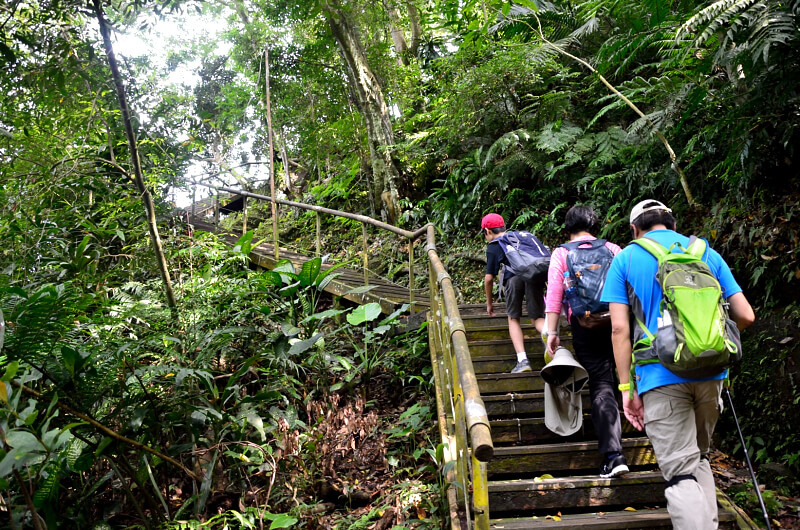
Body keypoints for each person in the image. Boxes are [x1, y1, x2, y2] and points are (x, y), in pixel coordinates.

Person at [601, 199, 755, 528]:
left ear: (635, 229)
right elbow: (745, 315)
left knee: (679, 473)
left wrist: (626, 388)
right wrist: (708, 346)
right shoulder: (706, 253)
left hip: (659, 376)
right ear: (673, 225)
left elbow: (619, 329)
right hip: (712, 375)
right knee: (698, 458)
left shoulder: (626, 258)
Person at [542, 204, 629, 478]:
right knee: (626, 377)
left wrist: (552, 332)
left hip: (585, 326)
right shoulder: (613, 249)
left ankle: (614, 456)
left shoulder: (561, 253)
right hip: (620, 322)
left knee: (601, 383)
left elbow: (554, 295)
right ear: (595, 226)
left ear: (567, 228)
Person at [481, 213, 546, 373]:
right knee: (537, 318)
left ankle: (523, 361)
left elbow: (489, 279)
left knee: (513, 318)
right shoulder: (520, 237)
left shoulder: (494, 246)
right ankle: (555, 347)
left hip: (513, 279)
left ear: (488, 231)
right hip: (533, 276)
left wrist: (489, 303)